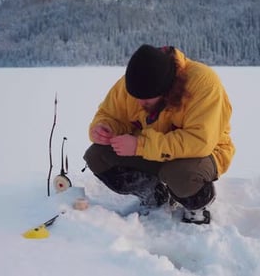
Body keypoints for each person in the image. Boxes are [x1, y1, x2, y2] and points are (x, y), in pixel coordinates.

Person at [83, 44, 235, 224]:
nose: (139, 103)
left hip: (203, 154)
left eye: (146, 99)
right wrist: (103, 128)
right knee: (98, 156)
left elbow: (199, 141)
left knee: (180, 174)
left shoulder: (203, 83)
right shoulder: (134, 83)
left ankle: (199, 204)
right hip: (151, 152)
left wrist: (140, 145)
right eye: (135, 97)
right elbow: (109, 114)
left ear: (166, 89)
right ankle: (155, 195)